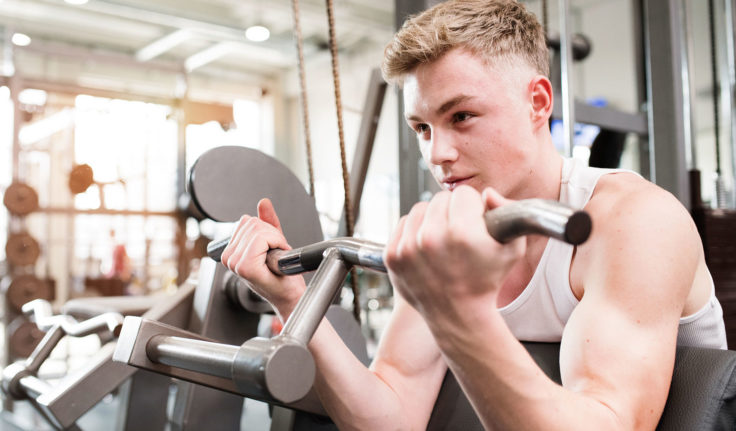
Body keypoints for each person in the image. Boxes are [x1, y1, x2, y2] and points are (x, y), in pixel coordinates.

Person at [221, 0, 727, 428]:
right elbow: (392, 414)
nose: (437, 153)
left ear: (538, 102)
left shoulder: (634, 221)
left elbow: (606, 420)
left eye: (461, 116)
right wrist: (293, 300)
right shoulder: (447, 228)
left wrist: (455, 308)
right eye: (422, 128)